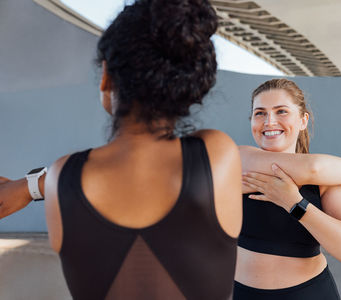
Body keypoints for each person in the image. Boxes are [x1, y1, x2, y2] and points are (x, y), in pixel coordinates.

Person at [2, 0, 243, 299]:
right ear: (190, 85)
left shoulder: (64, 176)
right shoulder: (217, 154)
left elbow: (112, 174)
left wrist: (27, 186)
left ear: (106, 77)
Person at [231, 78, 341, 299]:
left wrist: (295, 204)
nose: (269, 121)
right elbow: (313, 167)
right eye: (260, 113)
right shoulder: (241, 159)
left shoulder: (326, 182)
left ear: (303, 120)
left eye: (281, 111)